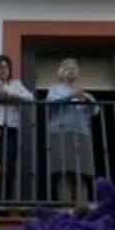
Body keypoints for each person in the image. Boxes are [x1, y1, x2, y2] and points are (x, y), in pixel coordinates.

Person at [45, 58, 98, 207]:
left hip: (81, 133)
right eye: (67, 68)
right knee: (64, 171)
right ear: (61, 73)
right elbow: (51, 104)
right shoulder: (54, 89)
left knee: (82, 172)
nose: (71, 70)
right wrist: (71, 96)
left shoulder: (84, 92)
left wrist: (87, 100)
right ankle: (65, 206)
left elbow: (94, 111)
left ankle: (83, 207)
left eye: (74, 68)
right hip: (60, 133)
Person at [0, 54, 34, 203]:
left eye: (5, 67)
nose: (3, 70)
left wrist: (9, 94)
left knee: (8, 164)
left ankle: (4, 200)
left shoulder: (15, 84)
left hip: (10, 129)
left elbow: (30, 97)